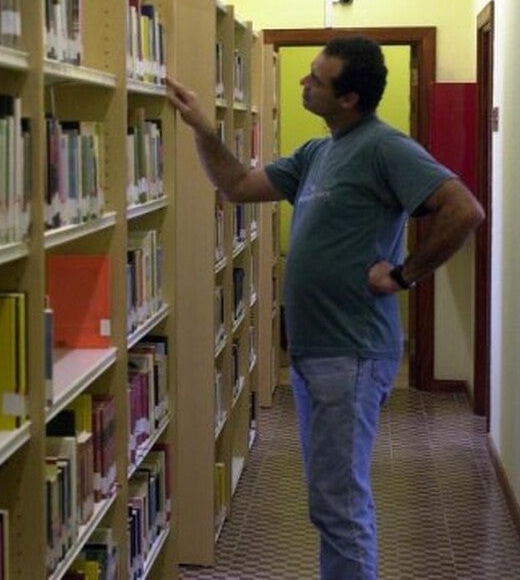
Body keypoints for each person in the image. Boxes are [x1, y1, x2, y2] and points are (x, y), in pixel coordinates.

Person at [165, 35, 484, 579]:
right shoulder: (320, 151)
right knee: (330, 501)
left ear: (350, 99)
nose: (303, 83)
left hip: (352, 352)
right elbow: (238, 185)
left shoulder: (386, 147)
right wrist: (202, 129)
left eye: (316, 78)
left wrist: (405, 275)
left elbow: (464, 210)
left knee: (339, 504)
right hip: (318, 354)